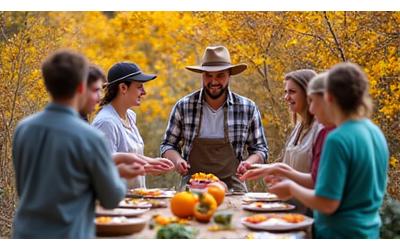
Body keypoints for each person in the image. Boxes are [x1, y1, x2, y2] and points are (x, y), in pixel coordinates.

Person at [252, 63, 389, 238]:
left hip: (338, 235)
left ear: (329, 97)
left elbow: (327, 203)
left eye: (313, 102)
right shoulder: (374, 132)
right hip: (369, 233)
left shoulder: (337, 139)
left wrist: (291, 188)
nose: (311, 109)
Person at [12, 50, 130, 238]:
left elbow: (24, 189)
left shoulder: (23, 129)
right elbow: (111, 199)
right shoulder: (90, 137)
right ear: (81, 87)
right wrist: (119, 175)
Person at [160, 45, 269, 192]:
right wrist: (178, 160)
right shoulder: (184, 106)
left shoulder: (247, 108)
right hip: (193, 186)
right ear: (202, 75)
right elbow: (168, 145)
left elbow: (260, 149)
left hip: (234, 185)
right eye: (208, 76)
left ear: (229, 75)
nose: (213, 81)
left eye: (220, 75)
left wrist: (248, 163)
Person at [240, 72, 336, 189]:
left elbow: (320, 180)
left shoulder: (322, 130)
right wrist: (253, 167)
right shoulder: (297, 128)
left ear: (308, 94)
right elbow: (284, 166)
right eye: (286, 92)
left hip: (309, 205)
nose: (286, 97)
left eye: (292, 92)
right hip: (289, 205)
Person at [92, 62, 174, 188]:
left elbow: (129, 156)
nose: (144, 92)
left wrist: (152, 164)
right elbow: (104, 167)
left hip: (135, 202)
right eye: (139, 86)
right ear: (123, 88)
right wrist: (148, 166)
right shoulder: (106, 123)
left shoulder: (130, 115)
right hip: (117, 204)